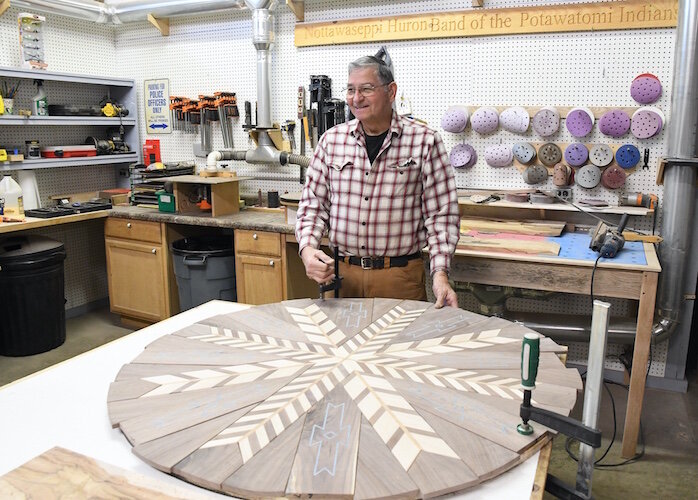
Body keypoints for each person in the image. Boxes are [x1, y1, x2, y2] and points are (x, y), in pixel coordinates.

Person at [295, 55, 459, 308]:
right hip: (341, 275)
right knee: (341, 345)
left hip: (399, 277)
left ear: (391, 91)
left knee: (399, 346)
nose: (356, 98)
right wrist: (307, 250)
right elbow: (313, 206)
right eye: (351, 90)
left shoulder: (424, 141)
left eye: (366, 89)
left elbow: (441, 215)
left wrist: (440, 273)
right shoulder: (331, 141)